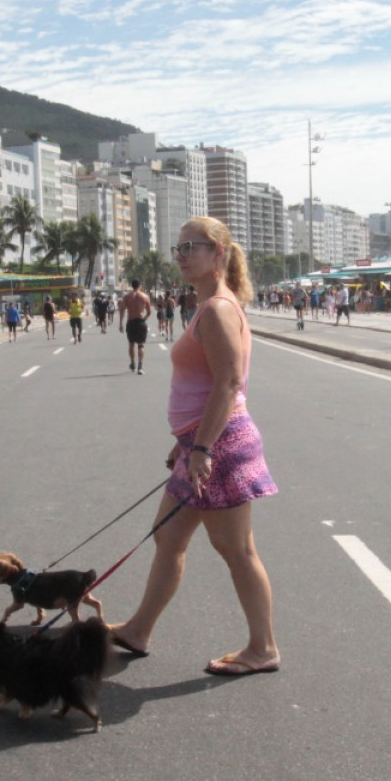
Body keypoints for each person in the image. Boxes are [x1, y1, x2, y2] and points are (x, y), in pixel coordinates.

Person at [109, 216, 279, 677]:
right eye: (178, 248)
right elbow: (205, 386)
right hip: (199, 444)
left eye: (192, 247)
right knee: (168, 537)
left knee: (237, 549)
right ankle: (139, 629)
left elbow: (228, 383)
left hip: (219, 446)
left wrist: (201, 448)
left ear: (218, 253)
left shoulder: (219, 310)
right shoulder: (205, 307)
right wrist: (184, 444)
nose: (182, 255)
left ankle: (263, 648)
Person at [124, 278, 153, 373]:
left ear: (131, 285)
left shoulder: (127, 296)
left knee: (131, 344)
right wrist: (143, 319)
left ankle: (133, 363)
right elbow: (149, 312)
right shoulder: (145, 296)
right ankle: (140, 366)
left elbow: (121, 310)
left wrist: (120, 323)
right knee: (141, 345)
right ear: (139, 286)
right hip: (140, 322)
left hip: (131, 321)